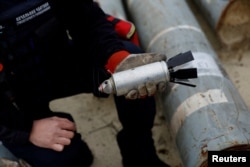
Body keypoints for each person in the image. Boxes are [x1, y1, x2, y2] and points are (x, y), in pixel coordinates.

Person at [0, 0, 170, 167]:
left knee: (135, 74)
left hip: (57, 64)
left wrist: (116, 59)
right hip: (13, 100)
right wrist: (27, 130)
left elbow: (88, 20)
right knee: (70, 159)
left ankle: (139, 155)